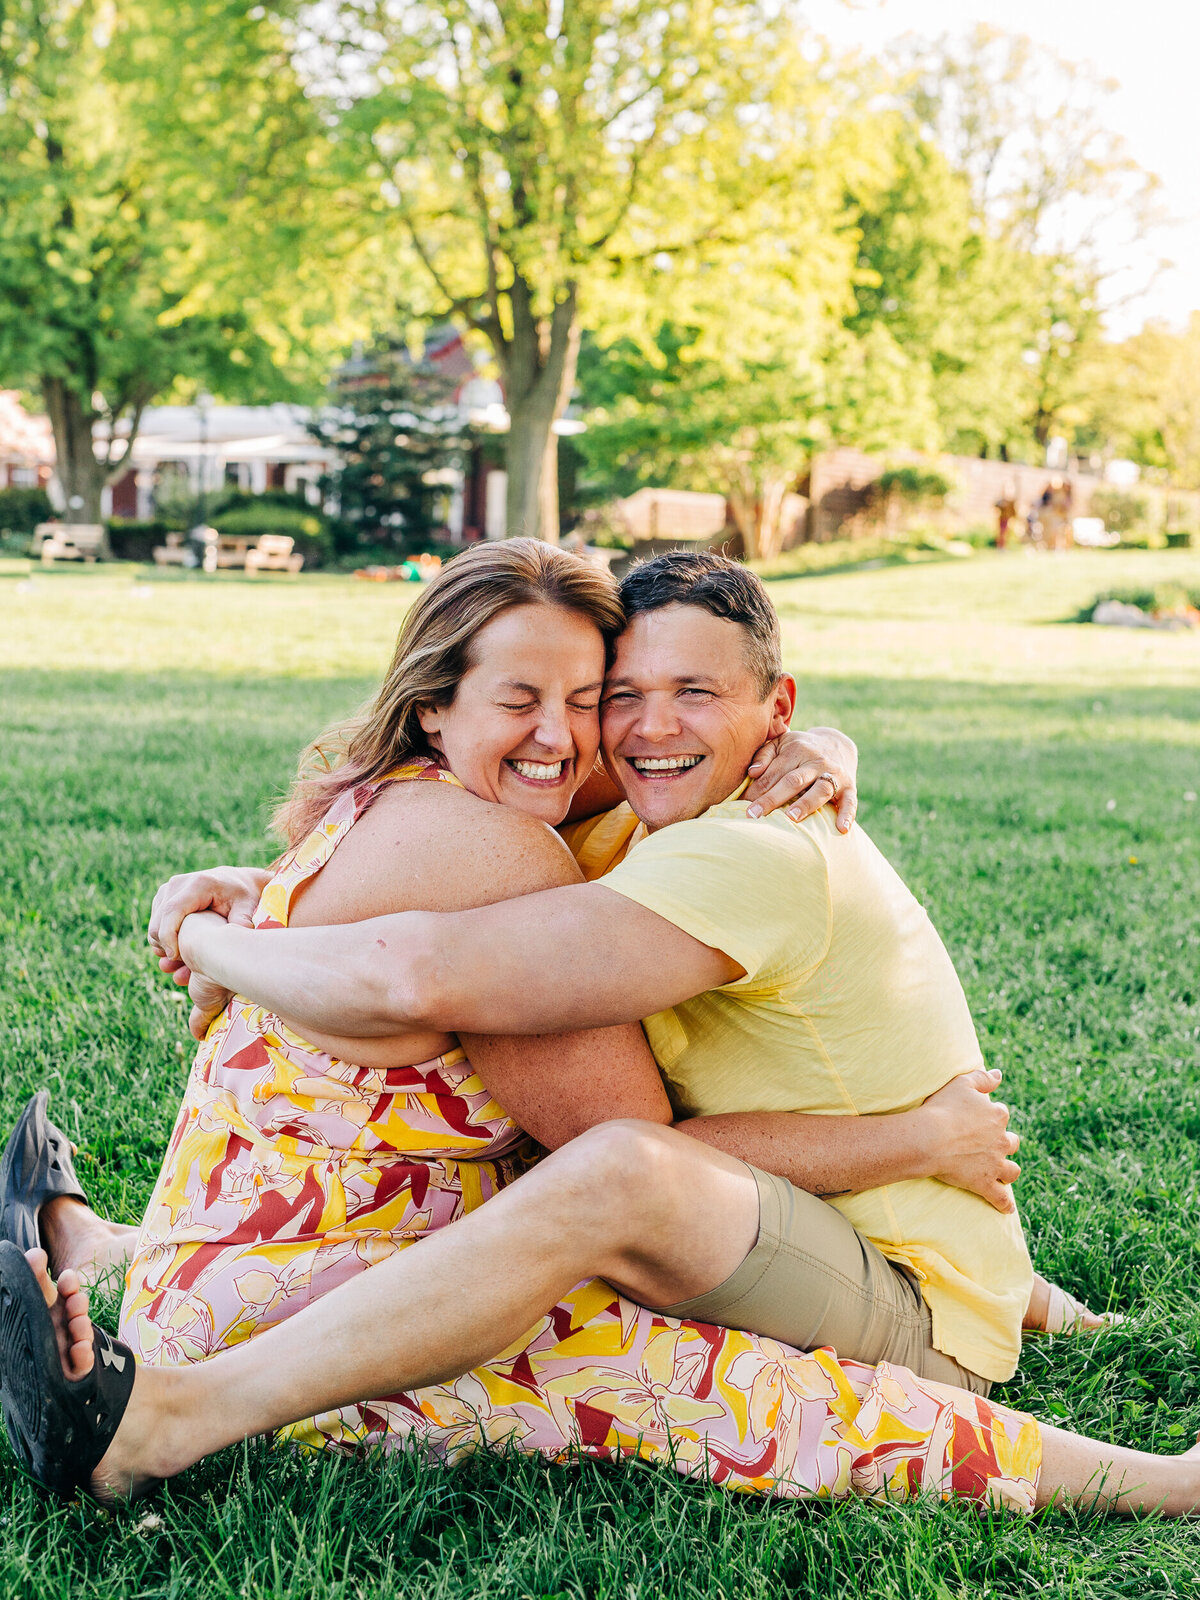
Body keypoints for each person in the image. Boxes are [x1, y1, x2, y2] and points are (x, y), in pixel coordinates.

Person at [2, 545, 1143, 1516]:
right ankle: (155, 1404)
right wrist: (910, 1138)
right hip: (300, 1296)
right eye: (538, 699)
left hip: (242, 1267)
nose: (584, 735)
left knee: (605, 1188)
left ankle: (105, 1256)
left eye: (588, 697)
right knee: (673, 1337)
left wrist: (819, 742)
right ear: (435, 702)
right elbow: (602, 1138)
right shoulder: (516, 847)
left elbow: (457, 978)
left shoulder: (418, 799)